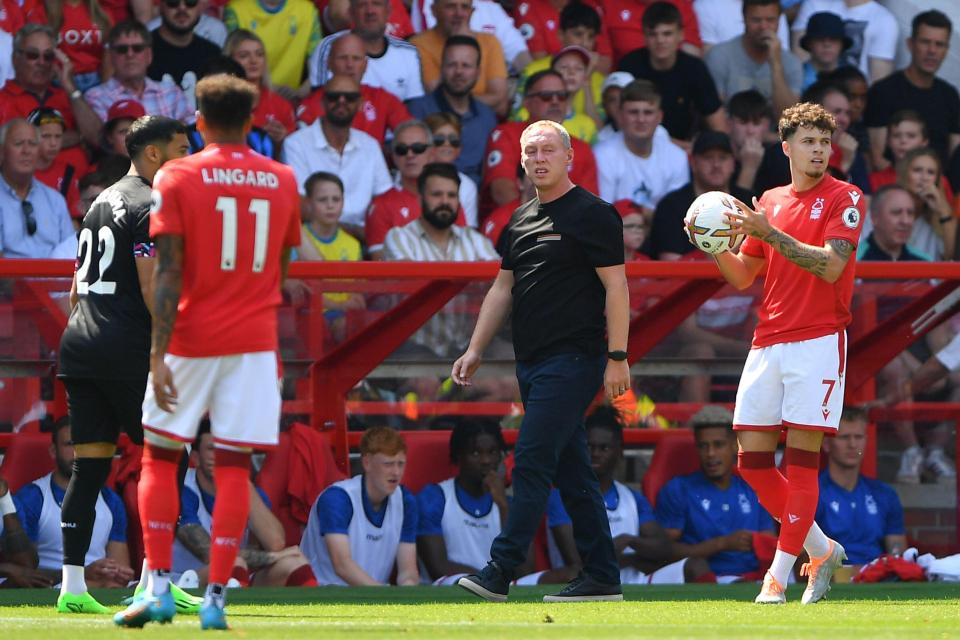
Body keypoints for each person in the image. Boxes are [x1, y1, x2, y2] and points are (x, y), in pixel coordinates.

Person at [114, 74, 301, 630]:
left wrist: (156, 352)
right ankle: (217, 598)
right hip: (253, 342)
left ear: (198, 119)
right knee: (237, 467)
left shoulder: (178, 173)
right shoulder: (282, 178)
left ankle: (160, 588)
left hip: (191, 337)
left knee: (161, 457)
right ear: (250, 119)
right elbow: (283, 269)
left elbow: (168, 269)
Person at [453, 119, 630, 603]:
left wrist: (617, 356)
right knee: (573, 473)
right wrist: (475, 348)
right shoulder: (520, 219)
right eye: (530, 151)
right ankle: (601, 576)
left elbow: (617, 286)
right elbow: (501, 287)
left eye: (548, 149)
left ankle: (501, 568)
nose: (538, 158)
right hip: (530, 363)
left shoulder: (594, 214)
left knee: (531, 459)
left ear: (569, 156)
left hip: (575, 359)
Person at [701, 101, 866, 604]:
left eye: (824, 142)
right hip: (768, 339)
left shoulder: (847, 196)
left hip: (818, 340)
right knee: (751, 462)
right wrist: (712, 244)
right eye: (809, 142)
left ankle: (778, 575)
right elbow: (743, 276)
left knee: (801, 464)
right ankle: (821, 550)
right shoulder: (769, 200)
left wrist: (769, 233)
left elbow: (831, 267)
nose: (819, 150)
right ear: (787, 147)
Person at [56, 115, 192, 614]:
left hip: (81, 342)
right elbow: (154, 287)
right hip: (124, 347)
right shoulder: (150, 201)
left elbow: (74, 290)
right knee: (170, 452)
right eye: (181, 149)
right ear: (153, 154)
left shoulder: (100, 201)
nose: (188, 157)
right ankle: (154, 580)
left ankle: (72, 588)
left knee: (89, 465)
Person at [549, 406, 713, 585]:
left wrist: (629, 541)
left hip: (635, 581)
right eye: (589, 446)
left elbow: (664, 547)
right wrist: (632, 559)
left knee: (696, 565)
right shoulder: (561, 496)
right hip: (583, 584)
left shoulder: (633, 499)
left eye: (604, 448)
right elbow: (579, 561)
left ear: (619, 451)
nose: (595, 454)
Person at [173, 421, 317, 587]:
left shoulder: (249, 491)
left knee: (295, 564)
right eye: (213, 449)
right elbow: (208, 553)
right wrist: (273, 557)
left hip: (234, 577)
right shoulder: (183, 489)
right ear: (196, 458)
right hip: (183, 581)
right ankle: (236, 611)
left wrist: (241, 481)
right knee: (234, 563)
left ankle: (317, 611)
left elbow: (275, 543)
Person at [9, 418, 133, 592]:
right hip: (52, 589)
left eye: (84, 446)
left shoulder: (110, 500)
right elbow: (25, 571)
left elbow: (120, 570)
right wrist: (82, 574)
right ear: (53, 451)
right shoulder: (33, 497)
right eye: (69, 445)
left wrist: (118, 573)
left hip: (104, 587)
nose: (77, 454)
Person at [655, 406, 775, 582]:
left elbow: (768, 542)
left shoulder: (753, 489)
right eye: (703, 446)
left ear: (735, 445)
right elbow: (663, 551)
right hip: (706, 580)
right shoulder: (678, 489)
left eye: (718, 445)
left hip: (755, 579)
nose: (710, 454)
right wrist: (721, 544)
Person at [300, 427, 419, 586]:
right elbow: (342, 566)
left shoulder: (406, 501)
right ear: (367, 462)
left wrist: (407, 594)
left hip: (375, 598)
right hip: (325, 596)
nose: (396, 472)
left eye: (401, 464)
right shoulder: (337, 498)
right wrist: (385, 599)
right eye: (388, 464)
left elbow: (408, 571)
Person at [282, 74, 392, 238]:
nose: (342, 101)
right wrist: (349, 232)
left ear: (360, 104)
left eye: (350, 97)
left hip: (365, 239)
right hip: (315, 237)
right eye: (334, 97)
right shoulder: (296, 143)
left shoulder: (370, 145)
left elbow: (384, 201)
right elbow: (300, 205)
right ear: (322, 102)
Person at [481, 70, 598, 212]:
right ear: (526, 103)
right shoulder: (507, 135)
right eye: (546, 96)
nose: (555, 101)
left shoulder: (581, 149)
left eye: (561, 96)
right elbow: (502, 192)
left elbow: (589, 205)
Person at [617, 1, 726, 144]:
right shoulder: (629, 65)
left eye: (667, 34)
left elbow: (717, 124)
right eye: (653, 34)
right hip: (635, 143)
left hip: (686, 148)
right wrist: (677, 146)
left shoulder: (694, 68)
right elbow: (619, 122)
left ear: (680, 35)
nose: (660, 40)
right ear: (644, 37)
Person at [416, 419, 511, 584]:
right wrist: (488, 579)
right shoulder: (434, 497)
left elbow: (524, 570)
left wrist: (503, 506)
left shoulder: (508, 503)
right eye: (475, 453)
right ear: (458, 455)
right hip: (448, 595)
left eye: (493, 452)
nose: (486, 461)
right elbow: (437, 568)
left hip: (497, 593)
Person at [864, 10, 958, 169]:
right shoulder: (883, 92)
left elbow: (956, 158)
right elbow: (878, 159)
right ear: (910, 44)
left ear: (946, 50)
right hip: (893, 188)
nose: (932, 51)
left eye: (939, 44)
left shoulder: (950, 96)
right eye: (925, 42)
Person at [816, 407, 907, 566]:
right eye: (844, 437)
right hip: (832, 583)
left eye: (858, 437)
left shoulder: (885, 494)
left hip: (877, 581)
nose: (852, 444)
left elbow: (898, 554)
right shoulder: (813, 493)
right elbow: (801, 562)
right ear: (826, 444)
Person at [367, 120, 467, 258]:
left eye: (418, 148)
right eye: (402, 150)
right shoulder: (380, 206)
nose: (410, 155)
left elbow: (463, 249)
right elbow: (381, 260)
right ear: (393, 156)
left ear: (432, 152)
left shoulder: (447, 201)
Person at [407, 35, 496, 188]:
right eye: (452, 64)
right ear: (441, 68)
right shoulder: (417, 110)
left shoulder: (487, 117)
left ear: (478, 72)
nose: (459, 72)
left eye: (466, 65)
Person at [648, 130, 752, 260]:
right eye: (708, 157)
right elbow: (670, 263)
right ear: (693, 163)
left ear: (733, 164)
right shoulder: (671, 205)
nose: (716, 165)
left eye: (723, 158)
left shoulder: (748, 202)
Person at [297, 32, 412, 144]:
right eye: (342, 58)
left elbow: (411, 134)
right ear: (329, 63)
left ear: (365, 65)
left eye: (356, 58)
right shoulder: (310, 105)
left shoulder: (383, 99)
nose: (349, 65)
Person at [592, 79, 688, 212]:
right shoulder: (602, 155)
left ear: (660, 117)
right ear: (620, 115)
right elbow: (603, 214)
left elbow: (677, 215)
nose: (641, 119)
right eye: (633, 112)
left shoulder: (678, 157)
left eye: (648, 113)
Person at [0, 23, 102, 147]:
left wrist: (71, 88)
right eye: (33, 55)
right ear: (15, 59)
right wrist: (66, 139)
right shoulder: (3, 100)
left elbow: (98, 138)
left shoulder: (69, 97)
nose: (41, 62)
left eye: (48, 56)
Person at [294, 171, 364, 341]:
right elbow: (300, 293)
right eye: (322, 200)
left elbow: (360, 292)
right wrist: (339, 305)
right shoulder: (297, 238)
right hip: (308, 316)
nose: (330, 205)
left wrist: (351, 304)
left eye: (336, 199)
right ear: (309, 203)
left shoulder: (353, 244)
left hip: (346, 316)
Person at [308, 0, 424, 101]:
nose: (370, 11)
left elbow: (415, 109)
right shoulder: (330, 48)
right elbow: (319, 106)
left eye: (376, 4)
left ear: (388, 11)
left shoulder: (409, 53)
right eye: (362, 4)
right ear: (351, 12)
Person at [704, 0, 802, 118]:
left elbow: (789, 118)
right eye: (756, 20)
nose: (763, 27)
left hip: (777, 135)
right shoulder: (719, 56)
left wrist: (776, 64)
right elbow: (715, 116)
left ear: (779, 21)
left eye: (770, 20)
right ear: (744, 19)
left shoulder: (791, 63)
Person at [84, 21, 192, 125]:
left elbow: (193, 131)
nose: (130, 54)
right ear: (111, 56)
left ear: (149, 55)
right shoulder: (96, 97)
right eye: (122, 49)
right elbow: (108, 141)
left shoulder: (171, 92)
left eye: (137, 48)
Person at [411, 0, 508, 115]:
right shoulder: (417, 45)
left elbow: (499, 98)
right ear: (434, 10)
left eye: (465, 7)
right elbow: (440, 97)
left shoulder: (490, 42)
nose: (459, 13)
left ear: (472, 12)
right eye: (450, 7)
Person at [0, 118, 74, 258]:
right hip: (9, 278)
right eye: (18, 143)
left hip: (54, 278)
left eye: (32, 144)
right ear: (2, 152)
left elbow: (70, 253)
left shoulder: (55, 200)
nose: (26, 151)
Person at [790, 0, 897, 84]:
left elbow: (879, 82)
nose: (827, 43)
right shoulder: (813, 4)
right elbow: (798, 64)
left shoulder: (884, 20)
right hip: (808, 94)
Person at [223, 0, 321, 92]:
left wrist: (301, 93)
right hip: (246, 94)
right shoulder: (236, 10)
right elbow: (228, 63)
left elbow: (320, 61)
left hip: (293, 97)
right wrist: (270, 89)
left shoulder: (307, 10)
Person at [223, 29, 295, 148]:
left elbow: (294, 150)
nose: (253, 61)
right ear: (229, 60)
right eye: (244, 56)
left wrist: (283, 140)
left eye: (259, 54)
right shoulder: (219, 103)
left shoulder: (281, 105)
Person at [147, 0, 222, 111]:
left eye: (190, 2)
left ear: (200, 7)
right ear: (161, 6)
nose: (182, 8)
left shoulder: (213, 53)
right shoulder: (141, 51)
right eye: (173, 3)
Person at [895, 147, 955, 261]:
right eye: (917, 170)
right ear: (904, 174)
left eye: (931, 172)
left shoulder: (942, 216)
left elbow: (952, 257)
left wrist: (942, 211)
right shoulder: (885, 207)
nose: (924, 178)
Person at [27, 107, 87, 221]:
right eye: (46, 136)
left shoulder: (68, 172)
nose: (53, 143)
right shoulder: (16, 171)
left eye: (58, 136)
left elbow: (74, 219)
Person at [0, 473, 54, 588]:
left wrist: (5, 500)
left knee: (29, 581)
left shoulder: (11, 502)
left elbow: (27, 564)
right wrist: (9, 569)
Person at [424, 112, 480, 223]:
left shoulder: (467, 186)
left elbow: (468, 231)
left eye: (453, 140)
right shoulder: (410, 177)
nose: (447, 144)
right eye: (439, 139)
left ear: (460, 147)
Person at [45, 0, 111, 92]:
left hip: (97, 81)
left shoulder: (102, 13)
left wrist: (105, 89)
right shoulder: (44, 11)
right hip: (59, 82)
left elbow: (109, 55)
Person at [856, 184, 927, 262]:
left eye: (910, 213)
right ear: (874, 218)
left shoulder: (924, 262)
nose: (905, 221)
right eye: (896, 212)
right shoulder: (853, 261)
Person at [725, 89, 772, 194]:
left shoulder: (777, 159)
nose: (750, 131)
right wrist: (749, 168)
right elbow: (731, 208)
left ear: (766, 126)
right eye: (743, 122)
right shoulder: (720, 159)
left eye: (756, 123)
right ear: (729, 124)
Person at [797, 12, 851, 91]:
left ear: (842, 45)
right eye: (820, 39)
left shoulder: (851, 78)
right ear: (809, 43)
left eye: (833, 39)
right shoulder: (796, 77)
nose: (827, 44)